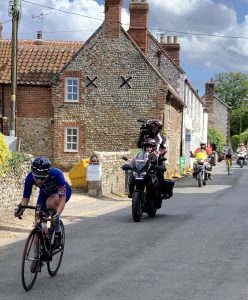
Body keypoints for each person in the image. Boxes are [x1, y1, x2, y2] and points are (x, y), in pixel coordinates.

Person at [14, 156, 72, 270]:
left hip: (60, 195)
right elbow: (25, 199)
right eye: (37, 178)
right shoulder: (30, 177)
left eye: (42, 178)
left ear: (48, 174)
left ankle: (58, 233)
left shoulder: (57, 174)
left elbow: (62, 199)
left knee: (50, 203)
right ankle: (37, 258)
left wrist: (57, 214)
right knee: (38, 223)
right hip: (44, 194)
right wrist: (20, 209)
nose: (39, 181)